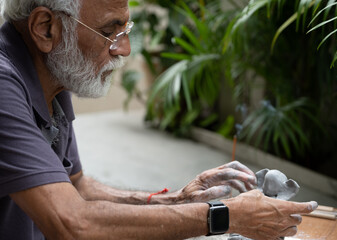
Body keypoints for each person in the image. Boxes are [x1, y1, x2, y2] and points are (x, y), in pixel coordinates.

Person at [0, 0, 318, 239]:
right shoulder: (4, 85)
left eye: (126, 31)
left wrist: (175, 200)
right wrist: (224, 216)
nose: (123, 49)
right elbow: (72, 222)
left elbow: (76, 186)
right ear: (46, 28)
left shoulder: (54, 73)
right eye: (110, 32)